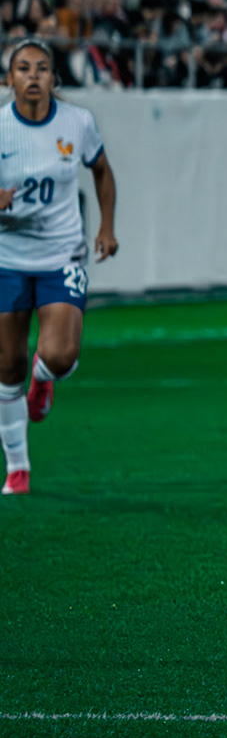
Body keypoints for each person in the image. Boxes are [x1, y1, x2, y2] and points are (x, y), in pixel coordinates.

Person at [0, 41, 120, 495]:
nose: (33, 76)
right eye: (23, 68)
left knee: (61, 354)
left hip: (61, 253)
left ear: (54, 78)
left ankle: (44, 379)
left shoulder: (78, 122)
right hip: (7, 257)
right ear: (9, 78)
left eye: (43, 68)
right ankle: (18, 468)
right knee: (6, 364)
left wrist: (106, 228)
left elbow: (103, 171)